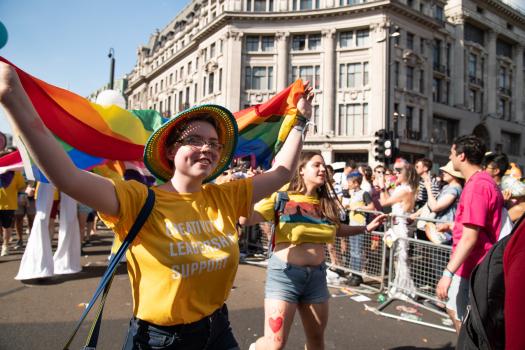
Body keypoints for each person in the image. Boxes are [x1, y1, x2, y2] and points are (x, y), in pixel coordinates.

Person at [0, 62, 315, 349]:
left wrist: (300, 121)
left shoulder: (225, 196)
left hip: (218, 331)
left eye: (214, 144)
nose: (207, 148)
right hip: (161, 342)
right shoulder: (139, 199)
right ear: (171, 151)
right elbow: (67, 177)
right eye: (195, 140)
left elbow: (283, 171)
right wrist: (12, 96)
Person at [242, 152, 386, 350]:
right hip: (285, 275)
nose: (322, 169)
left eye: (323, 165)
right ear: (301, 169)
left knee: (317, 341)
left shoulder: (326, 203)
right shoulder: (282, 197)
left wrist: (365, 228)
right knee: (274, 344)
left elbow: (336, 230)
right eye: (316, 165)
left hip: (317, 277)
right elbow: (246, 219)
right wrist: (251, 191)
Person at [436, 135, 504, 333]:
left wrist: (447, 273)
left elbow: (470, 238)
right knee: (455, 312)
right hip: (473, 265)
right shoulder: (482, 182)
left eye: (452, 153)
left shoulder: (477, 186)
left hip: (471, 267)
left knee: (464, 324)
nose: (450, 158)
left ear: (462, 156)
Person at [377, 158, 419, 298]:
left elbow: (384, 202)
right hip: (396, 226)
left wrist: (383, 187)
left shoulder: (404, 189)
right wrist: (386, 188)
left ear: (406, 173)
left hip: (400, 227)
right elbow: (388, 201)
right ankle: (399, 286)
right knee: (398, 259)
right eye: (395, 170)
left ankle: (405, 289)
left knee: (401, 259)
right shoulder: (404, 188)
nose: (396, 173)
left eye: (399, 171)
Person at [412, 161, 463, 245]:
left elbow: (435, 207)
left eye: (446, 171)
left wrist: (428, 188)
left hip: (446, 233)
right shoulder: (447, 187)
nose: (443, 173)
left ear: (454, 175)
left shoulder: (454, 189)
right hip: (439, 229)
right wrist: (417, 213)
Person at [344, 171, 374, 286]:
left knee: (357, 251)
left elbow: (371, 206)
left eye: (350, 182)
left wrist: (359, 207)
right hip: (352, 225)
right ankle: (354, 274)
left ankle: (357, 276)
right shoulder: (353, 194)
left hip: (359, 225)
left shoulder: (364, 193)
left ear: (356, 183)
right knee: (353, 251)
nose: (348, 184)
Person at [0, 169, 26, 256]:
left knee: (6, 227)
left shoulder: (16, 172)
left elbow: (22, 186)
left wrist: (22, 195)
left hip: (9, 204)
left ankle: (5, 246)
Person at [14, 180, 36, 250]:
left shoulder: (34, 168)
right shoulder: (17, 169)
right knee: (18, 218)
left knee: (31, 218)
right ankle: (19, 240)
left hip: (32, 196)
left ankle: (32, 239)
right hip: (18, 195)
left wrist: (32, 187)